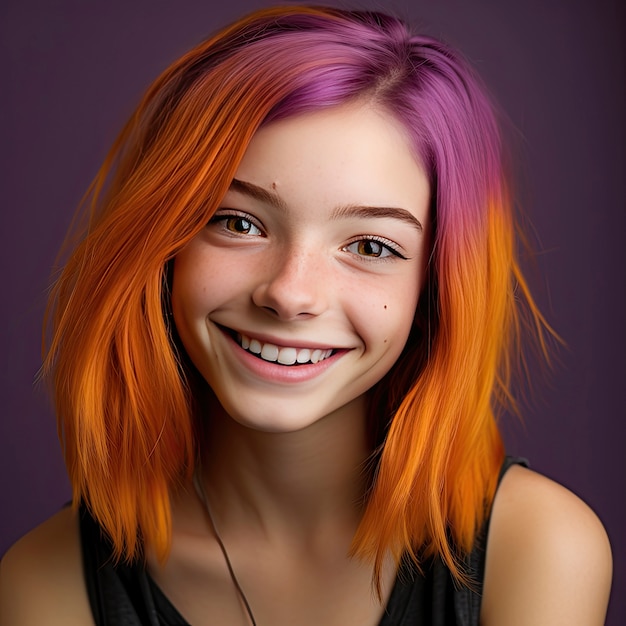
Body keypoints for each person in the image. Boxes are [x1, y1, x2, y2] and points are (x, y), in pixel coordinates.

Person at [0, 5, 612, 625]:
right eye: (238, 223)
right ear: (163, 248)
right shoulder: (46, 583)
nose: (291, 294)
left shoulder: (537, 548)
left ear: (434, 289)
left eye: (371, 247)